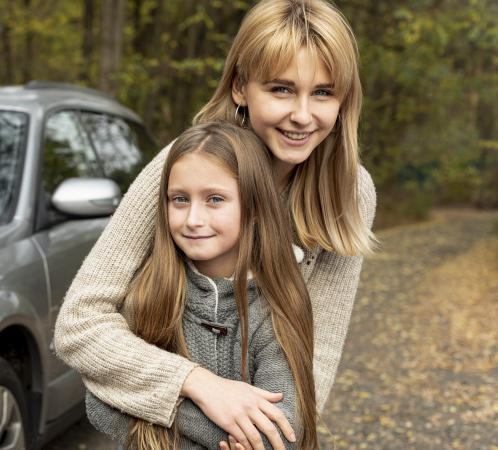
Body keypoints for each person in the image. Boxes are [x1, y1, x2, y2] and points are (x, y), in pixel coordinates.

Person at [53, 0, 377, 449]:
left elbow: (314, 357)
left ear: (344, 98)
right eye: (281, 89)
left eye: (322, 92)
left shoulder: (349, 190)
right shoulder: (183, 167)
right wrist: (200, 384)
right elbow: (79, 324)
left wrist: (272, 438)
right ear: (241, 87)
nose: (303, 115)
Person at [84, 121, 318, 450]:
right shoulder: (149, 293)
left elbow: (280, 431)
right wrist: (214, 417)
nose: (193, 219)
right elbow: (99, 398)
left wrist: (154, 408)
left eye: (214, 199)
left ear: (254, 208)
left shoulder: (275, 305)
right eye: (179, 199)